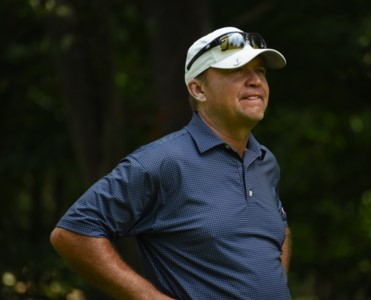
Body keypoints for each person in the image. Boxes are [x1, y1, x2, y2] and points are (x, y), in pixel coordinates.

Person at [50, 26, 291, 300]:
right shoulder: (161, 161)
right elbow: (72, 233)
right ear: (198, 89)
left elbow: (278, 229)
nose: (255, 81)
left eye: (260, 71)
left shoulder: (265, 161)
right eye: (237, 70)